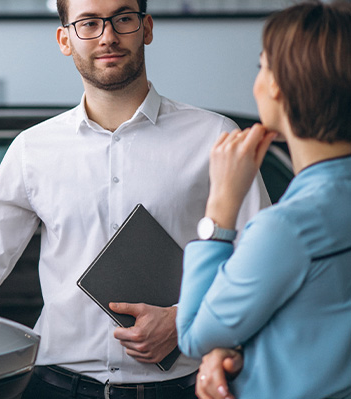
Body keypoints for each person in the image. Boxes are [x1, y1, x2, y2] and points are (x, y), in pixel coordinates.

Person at [0, 0, 270, 397]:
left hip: (180, 387)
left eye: (123, 18)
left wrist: (185, 319)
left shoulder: (213, 137)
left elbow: (260, 263)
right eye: (89, 23)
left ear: (146, 28)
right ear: (65, 39)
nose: (108, 35)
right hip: (56, 386)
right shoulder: (33, 150)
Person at [176, 2, 351, 399]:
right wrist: (234, 344)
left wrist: (220, 203)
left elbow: (192, 334)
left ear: (278, 85)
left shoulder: (287, 227)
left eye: (261, 65)